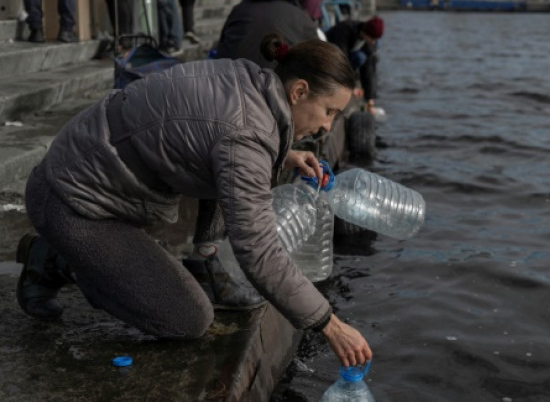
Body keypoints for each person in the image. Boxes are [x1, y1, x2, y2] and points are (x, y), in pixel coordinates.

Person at [15, 35, 373, 367]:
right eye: (330, 112)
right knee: (187, 318)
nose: (328, 126)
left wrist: (287, 155)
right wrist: (330, 324)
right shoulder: (247, 135)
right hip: (74, 202)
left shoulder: (247, 79)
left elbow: (215, 132)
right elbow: (260, 252)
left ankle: (205, 263)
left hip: (80, 164)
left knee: (235, 178)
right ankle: (55, 259)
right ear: (298, 91)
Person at [215, 0, 317, 69]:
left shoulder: (239, 10)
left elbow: (222, 44)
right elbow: (318, 58)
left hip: (229, 79)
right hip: (277, 83)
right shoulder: (301, 16)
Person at [325, 16, 384, 114]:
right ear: (367, 34)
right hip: (330, 54)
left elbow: (369, 71)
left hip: (349, 56)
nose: (374, 42)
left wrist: (370, 99)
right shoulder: (344, 30)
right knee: (360, 57)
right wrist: (351, 86)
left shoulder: (368, 42)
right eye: (373, 38)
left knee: (367, 57)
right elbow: (340, 60)